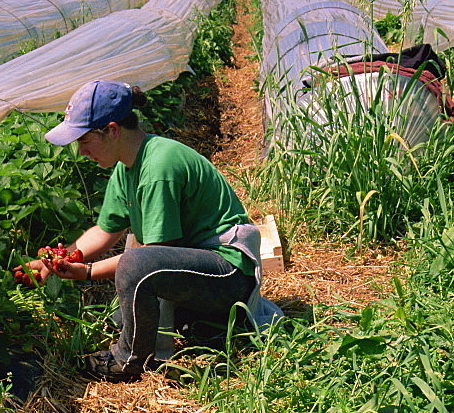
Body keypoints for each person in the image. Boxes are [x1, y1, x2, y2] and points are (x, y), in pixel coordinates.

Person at [19, 80, 276, 382]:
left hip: (228, 273)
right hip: (199, 267)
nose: (82, 151)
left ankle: (129, 361)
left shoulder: (158, 166)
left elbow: (154, 256)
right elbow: (104, 231)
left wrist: (87, 272)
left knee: (135, 262)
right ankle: (203, 324)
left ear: (112, 130)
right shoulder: (126, 166)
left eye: (85, 141)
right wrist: (59, 260)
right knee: (129, 283)